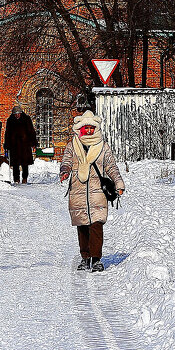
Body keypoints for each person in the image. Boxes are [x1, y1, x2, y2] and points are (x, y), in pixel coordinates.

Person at [58, 110, 124, 272]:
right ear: (80, 128)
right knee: (82, 226)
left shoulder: (103, 147)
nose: (88, 131)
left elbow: (111, 166)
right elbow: (66, 161)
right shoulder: (72, 145)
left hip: (97, 193)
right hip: (78, 191)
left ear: (95, 128)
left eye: (91, 128)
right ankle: (85, 257)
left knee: (96, 225)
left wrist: (118, 183)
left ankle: (96, 259)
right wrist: (65, 171)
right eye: (85, 128)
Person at [3, 103, 38, 184]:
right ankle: (16, 179)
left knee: (25, 163)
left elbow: (31, 131)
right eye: (15, 114)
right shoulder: (10, 120)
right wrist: (7, 145)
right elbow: (7, 133)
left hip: (24, 144)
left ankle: (24, 178)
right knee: (15, 164)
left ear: (21, 113)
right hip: (14, 145)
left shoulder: (26, 119)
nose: (17, 116)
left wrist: (33, 142)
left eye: (18, 114)